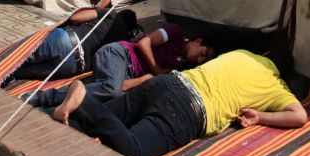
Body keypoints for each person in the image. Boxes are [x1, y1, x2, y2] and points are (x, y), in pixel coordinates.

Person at [48, 49, 307, 156]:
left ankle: (48, 115)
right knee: (133, 149)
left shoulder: (244, 54)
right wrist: (261, 116)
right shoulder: (277, 88)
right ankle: (85, 100)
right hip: (186, 111)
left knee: (92, 123)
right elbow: (299, 117)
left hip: (168, 81)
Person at [29, 22, 213, 106]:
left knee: (109, 95)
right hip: (119, 54)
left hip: (127, 74)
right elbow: (144, 43)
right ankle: (42, 98)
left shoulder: (181, 65)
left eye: (204, 60)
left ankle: (39, 97)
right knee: (110, 89)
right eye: (203, 53)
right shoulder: (176, 32)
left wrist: (149, 78)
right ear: (197, 41)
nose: (200, 59)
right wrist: (157, 72)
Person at [1, 7, 139, 86]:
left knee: (17, 58)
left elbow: (75, 18)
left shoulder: (111, 15)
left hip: (66, 41)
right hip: (73, 67)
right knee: (19, 73)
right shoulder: (123, 42)